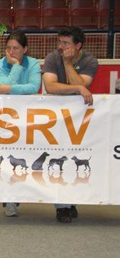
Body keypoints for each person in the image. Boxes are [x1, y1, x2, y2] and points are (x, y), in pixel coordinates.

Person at [42, 26, 99, 223]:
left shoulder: (90, 60)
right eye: (60, 42)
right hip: (55, 120)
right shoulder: (51, 57)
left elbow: (84, 85)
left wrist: (67, 64)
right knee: (58, 158)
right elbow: (51, 87)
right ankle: (62, 206)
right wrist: (76, 88)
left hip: (80, 121)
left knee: (76, 159)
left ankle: (71, 201)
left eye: (66, 43)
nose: (61, 47)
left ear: (78, 46)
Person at [0, 31, 42, 217]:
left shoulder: (34, 63)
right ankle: (10, 201)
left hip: (32, 120)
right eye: (8, 48)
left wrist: (10, 88)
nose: (11, 52)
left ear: (25, 49)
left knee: (32, 157)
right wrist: (17, 66)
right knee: (9, 161)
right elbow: (2, 88)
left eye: (16, 48)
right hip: (7, 121)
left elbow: (33, 87)